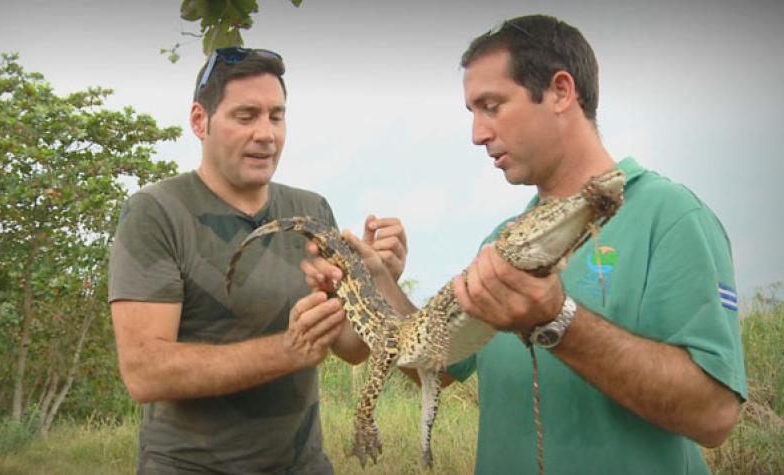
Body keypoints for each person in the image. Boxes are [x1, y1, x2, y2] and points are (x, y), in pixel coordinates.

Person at [302, 14, 745, 475]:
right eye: (472, 113)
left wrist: (558, 321)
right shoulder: (502, 240)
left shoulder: (669, 216)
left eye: (492, 105)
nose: (477, 134)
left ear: (560, 91)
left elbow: (714, 415)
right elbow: (440, 364)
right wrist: (380, 283)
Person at [108, 47, 406, 474]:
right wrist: (287, 351)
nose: (266, 134)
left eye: (276, 116)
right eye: (245, 117)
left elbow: (351, 348)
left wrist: (381, 282)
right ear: (200, 121)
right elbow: (145, 372)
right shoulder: (156, 212)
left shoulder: (312, 211)